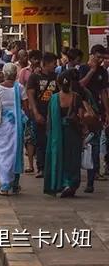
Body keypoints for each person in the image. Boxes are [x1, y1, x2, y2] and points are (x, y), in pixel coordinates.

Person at [0, 62, 28, 196]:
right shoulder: (19, 88)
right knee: (15, 152)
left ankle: (5, 184)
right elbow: (26, 106)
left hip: (0, 125)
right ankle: (14, 184)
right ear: (15, 74)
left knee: (2, 154)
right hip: (16, 126)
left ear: (4, 73)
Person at [44, 69, 85, 198]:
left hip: (57, 133)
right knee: (73, 159)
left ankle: (62, 183)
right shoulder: (76, 97)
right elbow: (81, 116)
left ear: (59, 84)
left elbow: (49, 120)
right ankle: (71, 184)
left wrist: (49, 134)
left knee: (59, 157)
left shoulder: (54, 98)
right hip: (73, 133)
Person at [78, 45, 108, 193]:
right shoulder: (83, 69)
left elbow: (103, 92)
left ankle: (92, 178)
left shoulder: (103, 72)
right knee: (84, 145)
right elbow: (81, 85)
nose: (100, 60)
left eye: (102, 58)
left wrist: (107, 112)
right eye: (98, 57)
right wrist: (92, 70)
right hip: (83, 112)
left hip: (97, 113)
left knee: (94, 145)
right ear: (92, 55)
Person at [27, 52, 59, 178]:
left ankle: (52, 167)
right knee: (40, 141)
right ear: (46, 64)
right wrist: (36, 113)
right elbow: (30, 95)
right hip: (40, 113)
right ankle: (41, 167)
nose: (55, 66)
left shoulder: (57, 77)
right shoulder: (34, 77)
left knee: (53, 141)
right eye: (53, 63)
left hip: (54, 114)